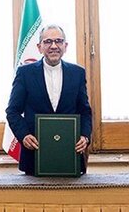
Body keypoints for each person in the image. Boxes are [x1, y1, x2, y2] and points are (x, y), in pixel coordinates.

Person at [6, 25, 93, 175]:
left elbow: (85, 111)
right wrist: (24, 135)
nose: (53, 46)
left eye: (58, 41)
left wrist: (85, 137)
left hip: (70, 156)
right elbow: (12, 111)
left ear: (65, 46)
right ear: (39, 47)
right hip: (34, 157)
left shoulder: (78, 73)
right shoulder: (25, 73)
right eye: (48, 42)